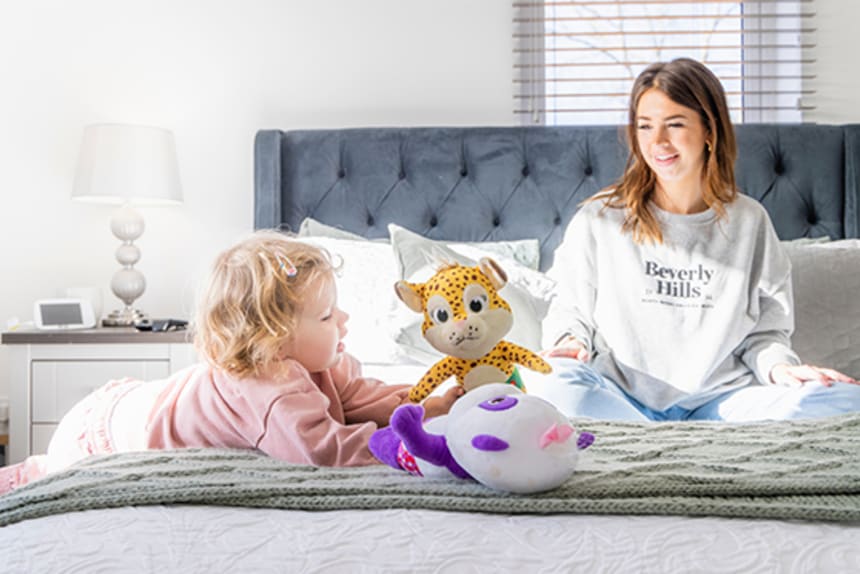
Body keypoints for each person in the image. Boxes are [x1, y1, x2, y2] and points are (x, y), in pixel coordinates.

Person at [1, 231, 462, 495]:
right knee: (44, 471)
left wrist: (427, 408)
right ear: (272, 340)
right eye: (326, 315)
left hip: (139, 399)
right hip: (105, 432)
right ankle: (29, 473)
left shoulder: (318, 357)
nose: (343, 319)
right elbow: (326, 451)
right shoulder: (273, 386)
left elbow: (363, 399)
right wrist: (404, 447)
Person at [534, 57, 860, 422]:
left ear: (709, 130)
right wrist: (570, 343)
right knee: (546, 384)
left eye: (674, 124)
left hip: (721, 404)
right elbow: (571, 309)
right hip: (619, 397)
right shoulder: (601, 219)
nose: (657, 141)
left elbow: (766, 334)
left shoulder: (749, 221)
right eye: (645, 126)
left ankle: (650, 441)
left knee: (846, 401)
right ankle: (658, 438)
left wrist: (780, 369)